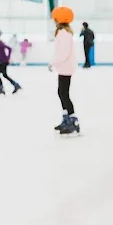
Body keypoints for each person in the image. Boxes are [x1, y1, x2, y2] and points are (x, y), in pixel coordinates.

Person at [48, 7, 80, 135]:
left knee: (64, 94)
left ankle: (73, 121)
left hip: (65, 68)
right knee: (62, 93)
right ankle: (66, 119)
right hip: (63, 67)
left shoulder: (64, 34)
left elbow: (64, 53)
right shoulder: (62, 33)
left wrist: (53, 62)